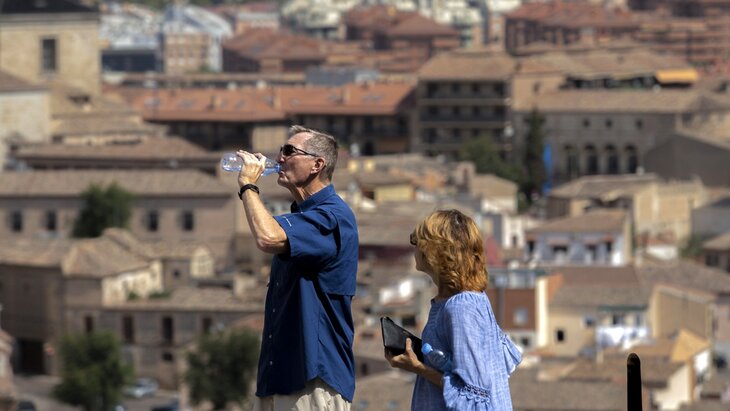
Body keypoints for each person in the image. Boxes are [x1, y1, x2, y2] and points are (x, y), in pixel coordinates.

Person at [236, 125, 358, 411]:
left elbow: (267, 237)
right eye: (281, 150)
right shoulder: (303, 218)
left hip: (311, 382)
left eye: (290, 151)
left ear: (318, 164)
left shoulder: (332, 218)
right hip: (279, 380)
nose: (279, 158)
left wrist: (248, 187)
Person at [385, 209, 522, 410]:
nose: (413, 246)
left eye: (417, 241)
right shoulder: (466, 300)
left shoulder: (461, 308)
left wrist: (418, 368)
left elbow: (473, 396)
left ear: (435, 252)